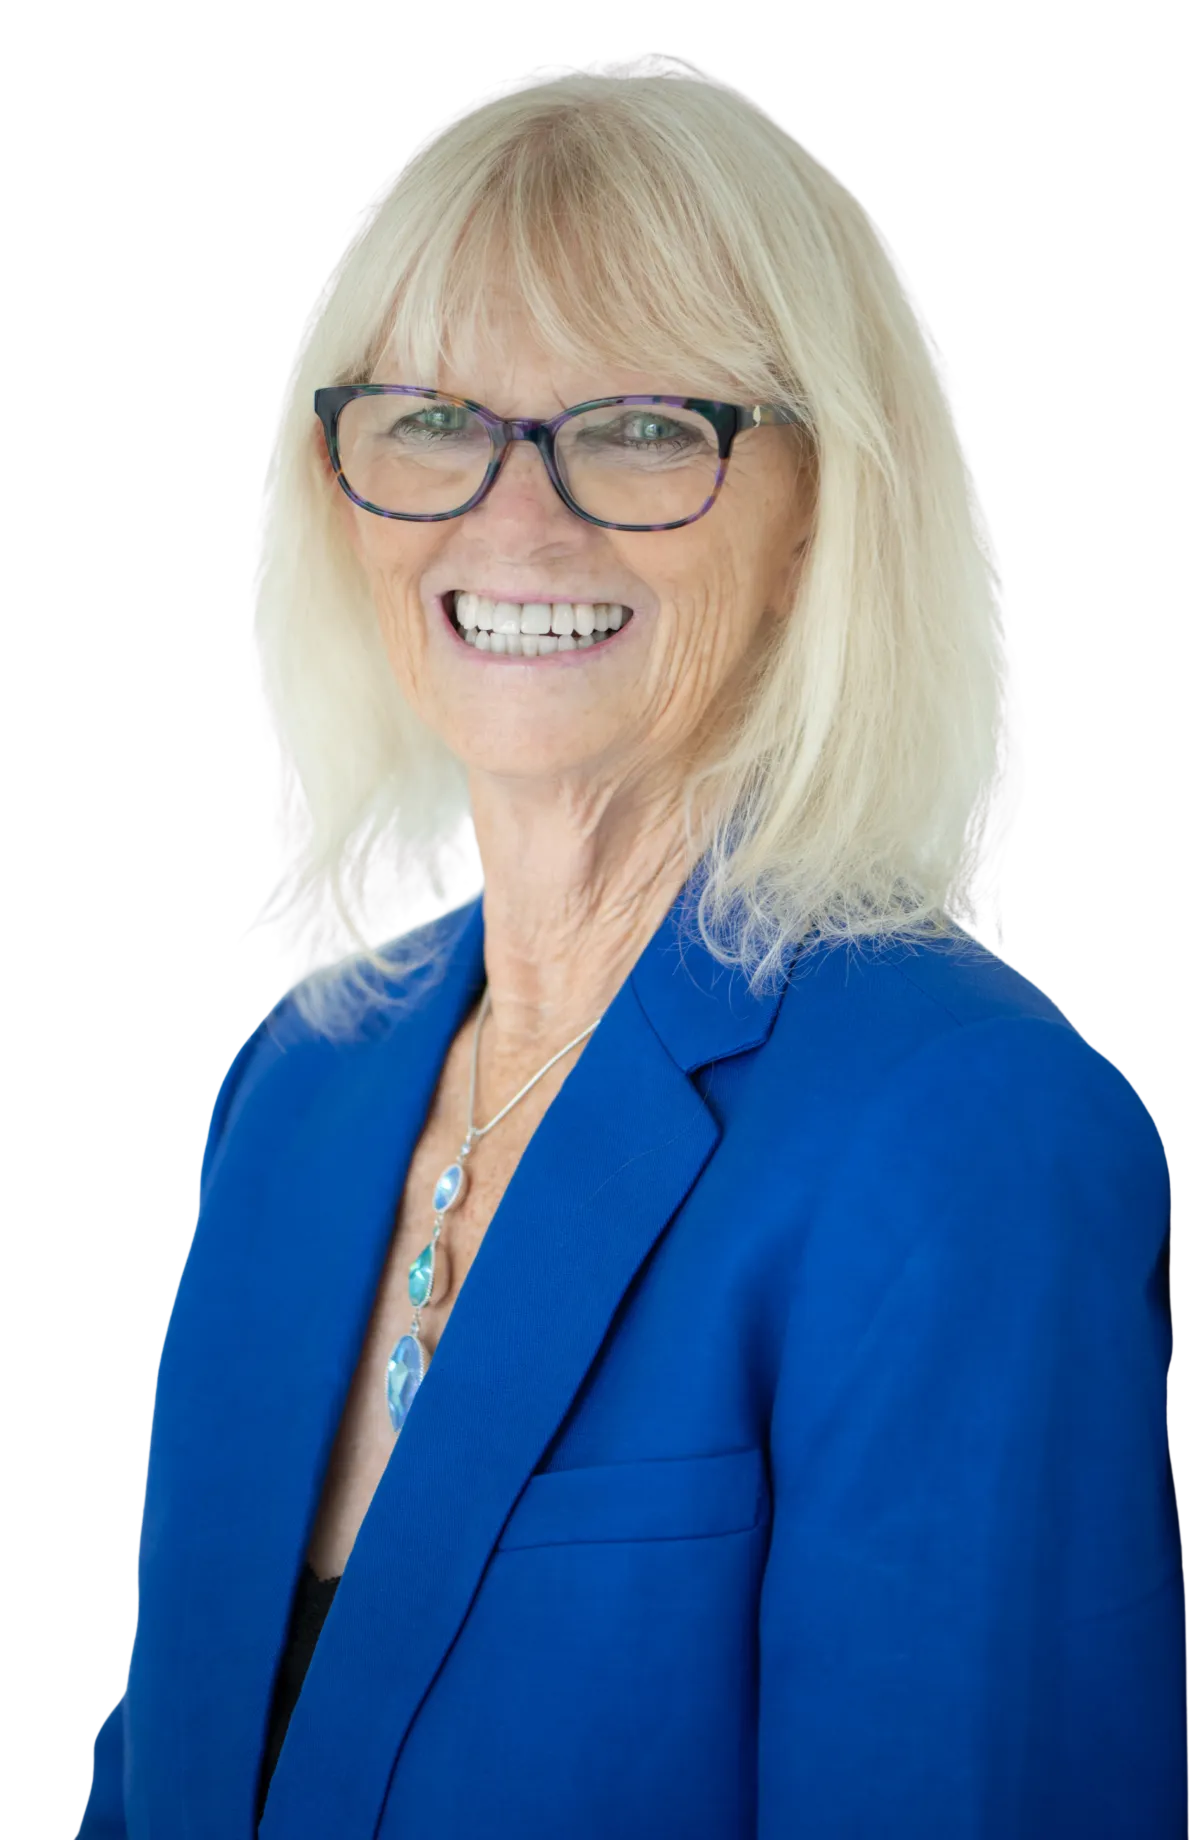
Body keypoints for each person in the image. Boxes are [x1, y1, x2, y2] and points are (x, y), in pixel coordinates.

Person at [79, 56, 1187, 1840]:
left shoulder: (961, 1133)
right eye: (433, 418)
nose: (515, 521)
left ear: (817, 511)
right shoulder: (298, 1089)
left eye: (648, 428)